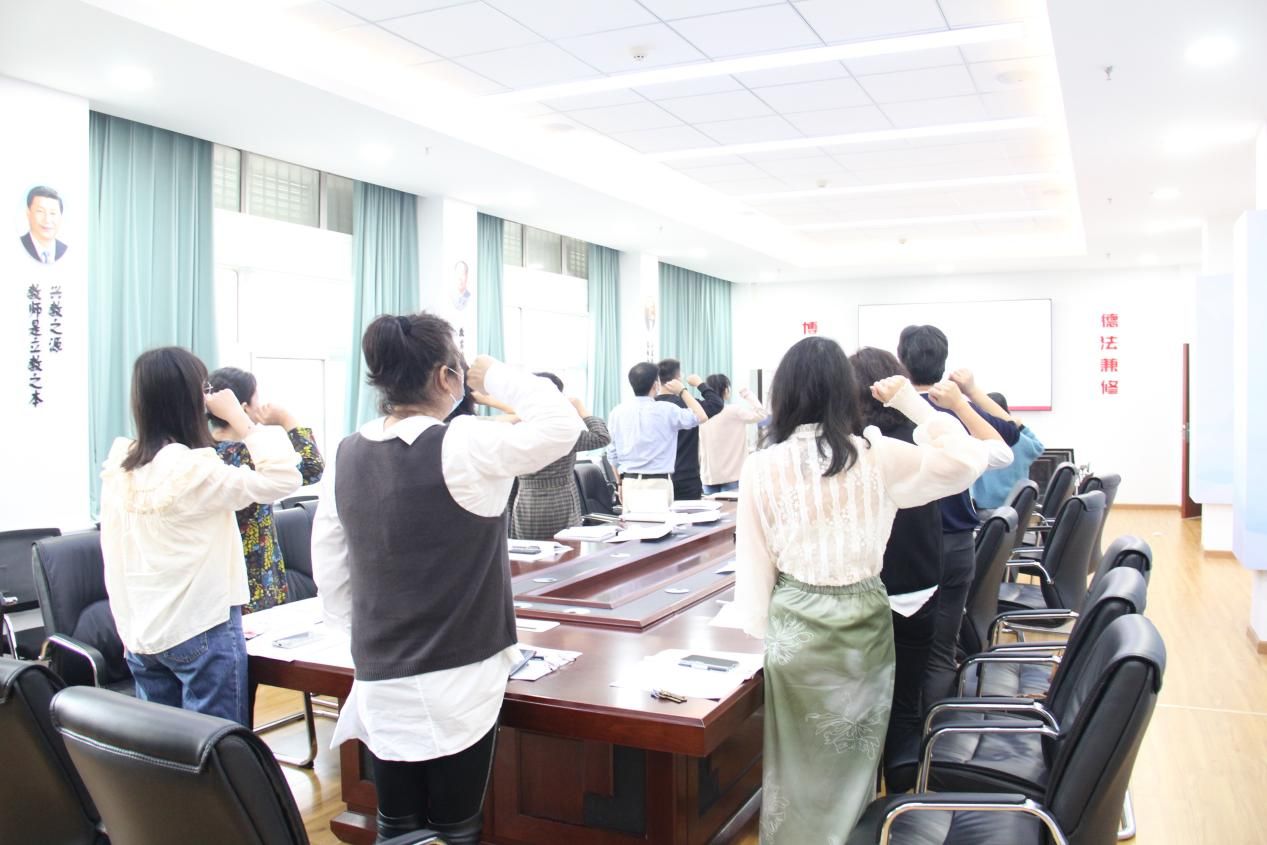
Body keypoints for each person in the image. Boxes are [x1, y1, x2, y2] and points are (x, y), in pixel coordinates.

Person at [312, 312, 582, 844]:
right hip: (461, 676)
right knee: (456, 827)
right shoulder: (464, 442)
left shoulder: (344, 453)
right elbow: (562, 425)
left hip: (380, 675)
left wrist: (366, 638)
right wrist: (495, 375)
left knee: (396, 826)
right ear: (445, 376)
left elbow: (331, 566)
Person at [734, 337, 1004, 841]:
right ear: (845, 392)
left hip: (795, 628)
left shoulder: (760, 465)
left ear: (783, 394)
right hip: (862, 623)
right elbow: (969, 460)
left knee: (794, 759)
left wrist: (759, 629)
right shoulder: (876, 456)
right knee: (855, 758)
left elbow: (753, 559)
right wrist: (912, 404)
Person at [99, 347, 302, 726]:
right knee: (215, 748)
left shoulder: (121, 466)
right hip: (199, 626)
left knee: (162, 747)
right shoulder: (193, 469)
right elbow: (284, 478)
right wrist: (242, 420)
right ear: (193, 399)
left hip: (141, 632)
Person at [897, 325, 1020, 707]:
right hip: (954, 543)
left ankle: (901, 729)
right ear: (944, 362)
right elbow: (1009, 435)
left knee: (899, 648)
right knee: (940, 652)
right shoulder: (953, 410)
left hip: (904, 548)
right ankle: (935, 726)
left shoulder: (890, 411)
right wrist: (966, 397)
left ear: (901, 360)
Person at [848, 347, 944, 788]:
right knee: (906, 702)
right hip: (918, 585)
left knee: (859, 702)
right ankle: (901, 796)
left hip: (863, 591)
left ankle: (860, 796)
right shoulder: (922, 436)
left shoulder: (849, 444)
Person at [206, 366, 325, 612]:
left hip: (217, 582)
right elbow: (311, 467)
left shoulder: (200, 453)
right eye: (256, 398)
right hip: (257, 576)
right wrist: (286, 420)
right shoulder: (252, 455)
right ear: (242, 407)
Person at [510, 372, 611, 540]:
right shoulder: (563, 430)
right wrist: (581, 409)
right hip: (560, 500)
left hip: (525, 500)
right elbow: (601, 437)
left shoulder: (518, 427)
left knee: (529, 551)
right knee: (565, 550)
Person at [607, 361, 708, 512]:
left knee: (633, 526)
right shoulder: (667, 410)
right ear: (656, 385)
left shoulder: (617, 412)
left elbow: (612, 454)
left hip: (629, 483)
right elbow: (701, 416)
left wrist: (619, 483)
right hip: (657, 483)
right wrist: (682, 391)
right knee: (657, 526)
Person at [655, 358, 724, 500]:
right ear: (678, 378)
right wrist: (699, 384)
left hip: (658, 477)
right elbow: (716, 403)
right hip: (686, 477)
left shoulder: (651, 407)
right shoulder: (689, 406)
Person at [972, 390, 1045, 512]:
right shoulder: (1020, 439)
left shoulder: (978, 438)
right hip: (1017, 507)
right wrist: (1021, 427)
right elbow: (1039, 448)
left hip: (985, 509)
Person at [698, 373, 765, 495]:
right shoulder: (734, 411)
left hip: (708, 477)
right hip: (733, 476)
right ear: (725, 390)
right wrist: (747, 394)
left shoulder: (702, 412)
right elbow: (761, 414)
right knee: (732, 508)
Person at [20, 185, 67, 264]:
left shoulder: (64, 250)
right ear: (28, 213)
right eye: (40, 211)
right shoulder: (18, 246)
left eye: (53, 213)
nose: (47, 220)